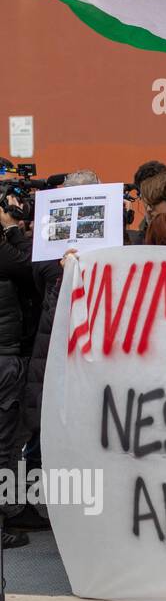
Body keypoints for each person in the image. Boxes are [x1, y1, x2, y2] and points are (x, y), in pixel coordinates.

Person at [17, 169, 100, 537]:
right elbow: (41, 283)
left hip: (67, 351)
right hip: (51, 349)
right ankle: (44, 501)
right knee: (46, 426)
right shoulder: (50, 260)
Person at [0, 192, 35, 550]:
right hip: (5, 358)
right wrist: (13, 229)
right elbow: (28, 266)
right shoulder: (5, 253)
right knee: (4, 443)